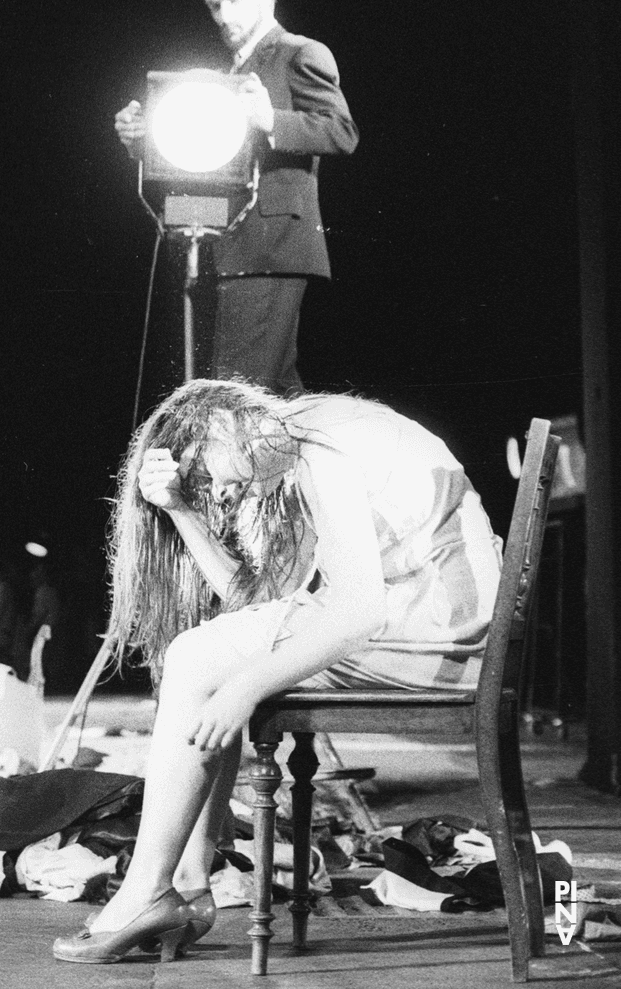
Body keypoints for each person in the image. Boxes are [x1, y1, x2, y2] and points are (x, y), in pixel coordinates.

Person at [52, 379, 501, 963]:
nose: (221, 488)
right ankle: (184, 882)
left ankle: (152, 890)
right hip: (435, 626)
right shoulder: (311, 431)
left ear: (219, 426)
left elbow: (358, 614)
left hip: (439, 638)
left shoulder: (320, 449)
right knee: (198, 658)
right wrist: (181, 511)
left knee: (195, 659)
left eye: (206, 473)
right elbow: (254, 605)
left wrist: (247, 686)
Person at [114, 0, 358, 395]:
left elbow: (342, 131)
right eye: (215, 6)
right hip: (231, 245)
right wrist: (143, 140)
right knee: (273, 392)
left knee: (236, 393)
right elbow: (216, 154)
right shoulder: (233, 74)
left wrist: (271, 119)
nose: (224, 16)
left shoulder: (300, 52)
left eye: (234, 0)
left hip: (271, 247)